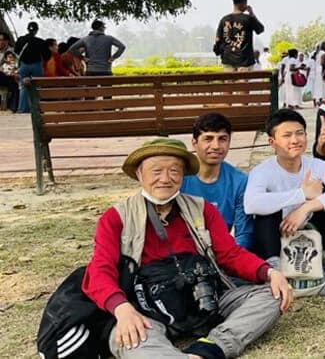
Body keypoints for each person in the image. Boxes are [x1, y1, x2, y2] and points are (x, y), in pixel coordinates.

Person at [81, 138, 290, 358]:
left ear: (183, 175)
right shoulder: (116, 217)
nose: (165, 178)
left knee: (273, 296)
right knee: (128, 338)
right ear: (139, 174)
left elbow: (229, 253)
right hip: (147, 309)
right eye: (156, 171)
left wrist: (269, 272)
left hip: (206, 296)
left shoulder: (202, 209)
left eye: (174, 171)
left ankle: (211, 347)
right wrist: (121, 308)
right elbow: (100, 270)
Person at [245, 109, 325, 300]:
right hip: (276, 235)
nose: (295, 140)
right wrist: (301, 194)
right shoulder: (262, 171)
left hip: (309, 231)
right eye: (287, 135)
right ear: (272, 142)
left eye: (300, 133)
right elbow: (251, 204)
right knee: (265, 213)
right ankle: (277, 280)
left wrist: (306, 207)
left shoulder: (316, 165)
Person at [181, 113, 254, 249]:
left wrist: (234, 260)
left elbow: (243, 233)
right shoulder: (179, 178)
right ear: (194, 143)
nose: (215, 146)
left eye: (222, 139)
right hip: (183, 251)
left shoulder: (239, 181)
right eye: (208, 139)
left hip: (221, 252)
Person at [215, 0, 264, 72]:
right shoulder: (248, 19)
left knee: (229, 84)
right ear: (243, 3)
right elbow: (260, 29)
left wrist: (219, 52)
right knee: (243, 84)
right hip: (245, 61)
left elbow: (217, 39)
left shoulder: (224, 20)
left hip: (228, 60)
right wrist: (251, 13)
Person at [14, 21, 49, 113]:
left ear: (27, 29)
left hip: (24, 65)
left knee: (23, 86)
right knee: (36, 87)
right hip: (36, 65)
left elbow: (16, 51)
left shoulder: (20, 40)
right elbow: (47, 55)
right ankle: (36, 109)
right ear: (36, 30)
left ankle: (22, 109)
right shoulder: (40, 41)